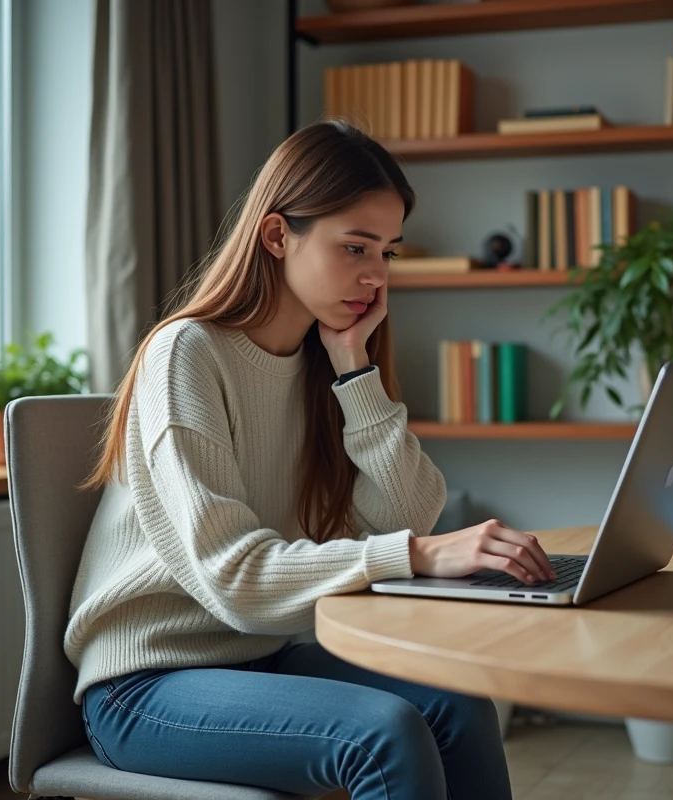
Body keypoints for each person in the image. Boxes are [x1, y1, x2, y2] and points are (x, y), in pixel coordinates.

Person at [67, 120, 555, 800]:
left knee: (459, 706)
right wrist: (416, 553)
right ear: (276, 237)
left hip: (258, 656)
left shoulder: (320, 364)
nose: (375, 276)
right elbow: (234, 577)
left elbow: (409, 510)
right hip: (145, 683)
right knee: (383, 734)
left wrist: (354, 369)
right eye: (354, 246)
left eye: (386, 251)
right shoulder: (186, 355)